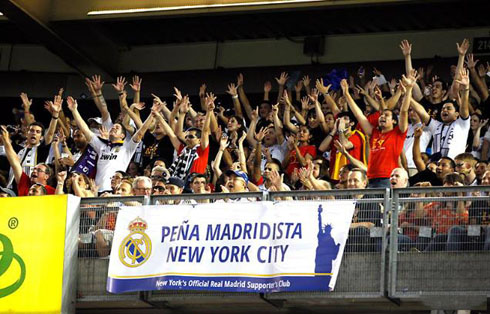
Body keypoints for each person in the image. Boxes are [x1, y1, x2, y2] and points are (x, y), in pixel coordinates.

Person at [341, 71, 413, 188]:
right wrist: (347, 94)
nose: (382, 117)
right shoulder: (374, 132)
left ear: (394, 121)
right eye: (381, 115)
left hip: (389, 179)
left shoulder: (398, 133)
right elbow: (359, 115)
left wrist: (408, 89)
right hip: (371, 179)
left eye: (386, 115)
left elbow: (404, 111)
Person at [67, 96, 154, 193]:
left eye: (117, 128)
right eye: (113, 127)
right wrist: (74, 110)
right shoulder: (101, 146)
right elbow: (85, 130)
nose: (114, 128)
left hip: (115, 190)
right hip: (96, 191)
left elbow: (141, 132)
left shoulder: (127, 147)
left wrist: (152, 115)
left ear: (122, 135)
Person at [410, 68, 471, 160]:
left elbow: (464, 108)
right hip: (437, 167)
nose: (444, 110)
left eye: (448, 108)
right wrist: (407, 94)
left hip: (453, 167)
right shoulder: (436, 126)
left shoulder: (462, 124)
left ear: (456, 114)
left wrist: (465, 89)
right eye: (443, 109)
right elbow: (422, 111)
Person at [1, 126, 55, 196]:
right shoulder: (25, 182)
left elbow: (49, 135)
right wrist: (6, 140)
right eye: (34, 169)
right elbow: (14, 163)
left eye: (39, 170)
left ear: (46, 176)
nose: (34, 171)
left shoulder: (51, 191)